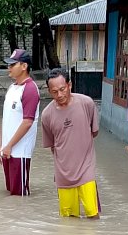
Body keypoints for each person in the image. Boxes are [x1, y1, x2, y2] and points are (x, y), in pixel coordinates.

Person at [41, 68, 101, 219]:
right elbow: (53, 146)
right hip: (63, 174)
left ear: (70, 85)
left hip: (86, 169)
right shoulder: (47, 115)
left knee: (92, 214)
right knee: (69, 219)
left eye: (62, 89)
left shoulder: (86, 103)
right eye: (54, 91)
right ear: (49, 91)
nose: (59, 95)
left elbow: (93, 132)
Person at [0, 48, 40, 196]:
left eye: (12, 64)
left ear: (24, 66)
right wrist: (1, 146)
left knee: (19, 194)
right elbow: (6, 119)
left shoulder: (30, 89)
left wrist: (9, 145)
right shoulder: (12, 88)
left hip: (20, 151)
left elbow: (28, 122)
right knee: (11, 192)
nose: (9, 68)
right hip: (8, 150)